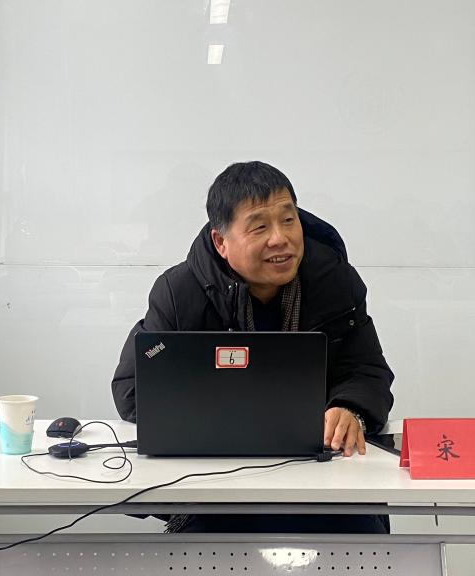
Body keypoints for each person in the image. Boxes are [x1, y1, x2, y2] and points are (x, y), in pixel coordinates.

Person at [111, 161, 395, 533]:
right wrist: (218, 419)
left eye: (288, 220)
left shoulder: (334, 281)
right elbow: (132, 389)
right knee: (194, 547)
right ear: (221, 242)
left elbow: (367, 370)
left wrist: (350, 407)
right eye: (260, 227)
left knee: (364, 544)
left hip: (324, 476)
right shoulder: (180, 292)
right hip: (213, 483)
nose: (280, 238)